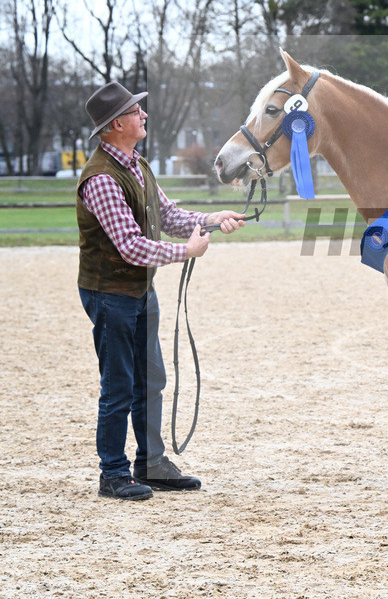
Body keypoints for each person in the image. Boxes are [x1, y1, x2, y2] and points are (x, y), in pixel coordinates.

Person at [77, 81, 245, 501]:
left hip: (137, 291)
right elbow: (131, 245)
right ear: (117, 123)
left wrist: (210, 219)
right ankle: (113, 473)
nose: (144, 115)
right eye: (136, 112)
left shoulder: (137, 164)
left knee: (150, 378)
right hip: (110, 293)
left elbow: (169, 214)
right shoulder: (101, 178)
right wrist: (186, 250)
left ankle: (150, 463)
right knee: (119, 384)